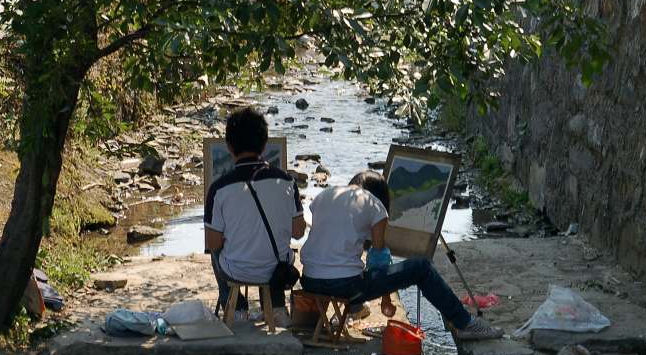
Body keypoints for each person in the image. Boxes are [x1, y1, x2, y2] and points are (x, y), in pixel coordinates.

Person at [299, 170, 503, 340]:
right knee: (421, 268)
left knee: (348, 267)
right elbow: (378, 258)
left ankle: (353, 308)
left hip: (309, 281)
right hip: (345, 287)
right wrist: (386, 298)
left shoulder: (325, 196)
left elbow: (327, 243)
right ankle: (465, 323)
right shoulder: (374, 204)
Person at [204, 106, 305, 326]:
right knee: (278, 248)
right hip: (277, 268)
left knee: (215, 251)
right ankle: (277, 307)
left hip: (236, 271)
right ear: (265, 143)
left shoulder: (219, 188)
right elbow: (298, 233)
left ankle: (237, 308)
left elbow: (212, 243)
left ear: (229, 146)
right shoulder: (287, 182)